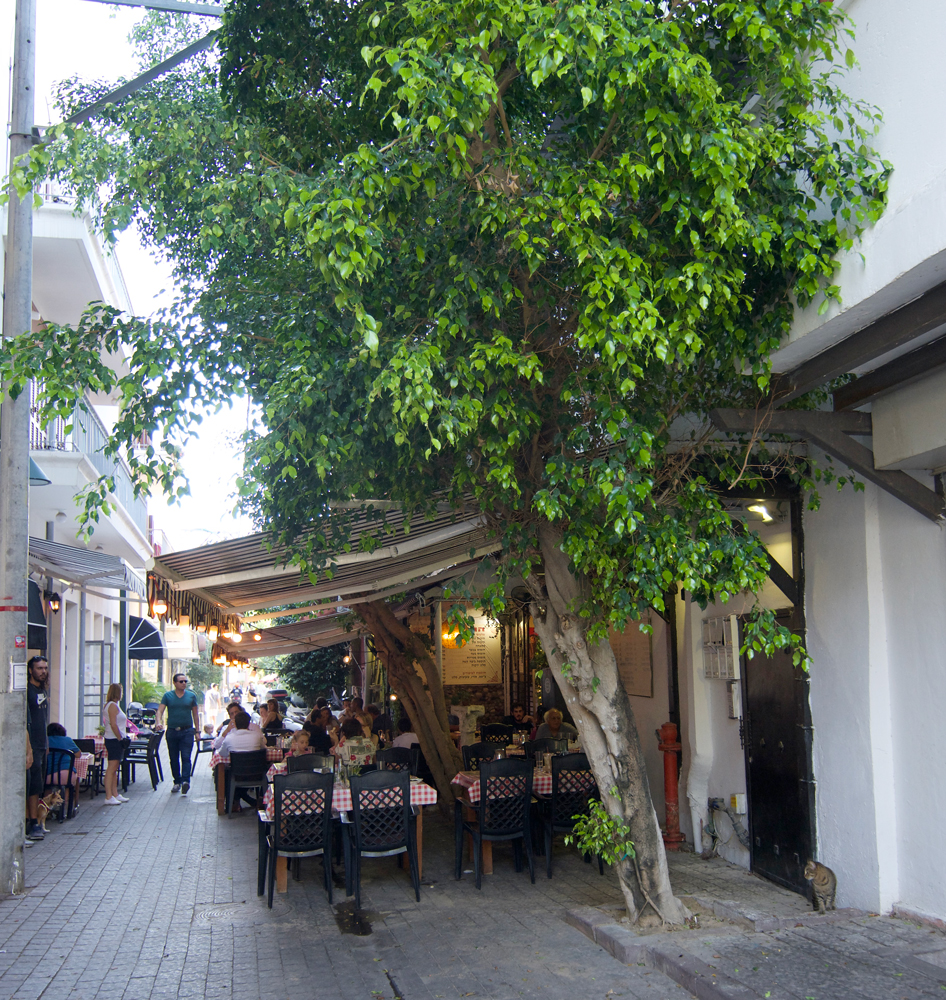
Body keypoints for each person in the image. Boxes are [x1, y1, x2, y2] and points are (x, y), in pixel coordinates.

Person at [155, 672, 200, 795]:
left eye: (185, 681)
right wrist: (158, 722)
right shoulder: (168, 696)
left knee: (186, 757)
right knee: (173, 758)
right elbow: (159, 711)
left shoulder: (191, 696)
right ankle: (177, 781)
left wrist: (197, 731)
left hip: (187, 731)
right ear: (175, 683)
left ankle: (185, 781)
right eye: (181, 681)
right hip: (172, 731)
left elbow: (195, 714)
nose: (184, 683)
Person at [217, 711, 267, 812]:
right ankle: (261, 800)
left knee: (226, 772)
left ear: (235, 723)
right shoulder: (256, 736)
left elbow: (222, 753)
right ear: (249, 723)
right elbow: (263, 748)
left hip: (237, 774)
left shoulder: (229, 738)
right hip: (257, 774)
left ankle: (232, 802)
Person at [26, 656, 50, 840]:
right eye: (39, 668)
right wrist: (29, 749)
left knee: (38, 785)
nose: (43, 671)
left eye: (45, 668)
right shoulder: (27, 692)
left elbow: (43, 721)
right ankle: (31, 822)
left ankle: (35, 822)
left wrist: (47, 744)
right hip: (31, 746)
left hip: (42, 745)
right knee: (31, 786)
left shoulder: (42, 691)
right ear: (30, 670)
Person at [102, 682, 130, 805]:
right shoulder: (113, 706)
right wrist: (120, 738)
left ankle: (115, 793)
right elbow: (113, 724)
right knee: (111, 767)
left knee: (114, 768)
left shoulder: (110, 705)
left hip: (113, 738)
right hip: (114, 739)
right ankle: (108, 796)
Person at [46, 723, 81, 789]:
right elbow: (78, 754)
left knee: (47, 788)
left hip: (48, 776)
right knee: (68, 785)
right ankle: (66, 798)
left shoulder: (45, 740)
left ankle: (47, 798)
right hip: (68, 775)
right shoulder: (68, 740)